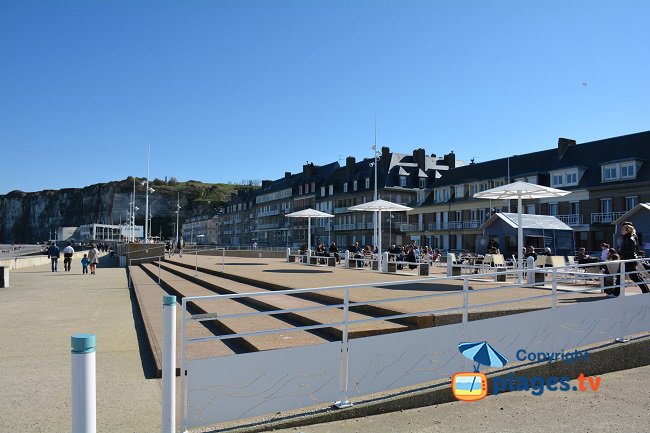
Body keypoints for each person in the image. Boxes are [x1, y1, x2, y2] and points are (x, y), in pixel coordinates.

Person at [618, 222, 649, 294]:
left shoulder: (630, 239)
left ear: (627, 230)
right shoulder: (627, 238)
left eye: (623, 229)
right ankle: (646, 291)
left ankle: (645, 291)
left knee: (634, 277)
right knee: (635, 276)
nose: (621, 230)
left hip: (630, 260)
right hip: (629, 260)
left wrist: (621, 252)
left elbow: (630, 251)